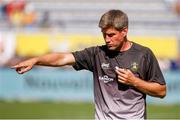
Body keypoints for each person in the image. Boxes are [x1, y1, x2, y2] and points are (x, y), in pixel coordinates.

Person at [11, 9, 166, 119]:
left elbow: (161, 91)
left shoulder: (144, 54)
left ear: (124, 31)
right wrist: (36, 60)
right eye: (104, 34)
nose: (107, 39)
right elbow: (62, 58)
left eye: (111, 35)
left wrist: (134, 81)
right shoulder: (96, 54)